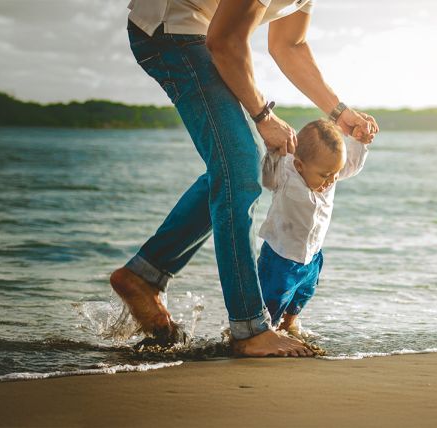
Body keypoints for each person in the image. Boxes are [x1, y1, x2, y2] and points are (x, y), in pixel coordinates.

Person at [110, 0, 379, 358]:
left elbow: (289, 44)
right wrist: (263, 115)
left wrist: (339, 111)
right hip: (171, 31)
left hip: (199, 32)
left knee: (238, 170)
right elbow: (224, 42)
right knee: (240, 169)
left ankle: (144, 275)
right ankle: (249, 328)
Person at [257, 119, 369, 339]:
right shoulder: (286, 172)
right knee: (271, 301)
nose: (332, 180)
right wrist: (273, 152)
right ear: (300, 166)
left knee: (303, 294)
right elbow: (266, 178)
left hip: (313, 255)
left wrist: (360, 141)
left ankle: (289, 327)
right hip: (280, 256)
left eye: (335, 174)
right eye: (325, 175)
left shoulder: (329, 169)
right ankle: (264, 334)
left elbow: (352, 164)